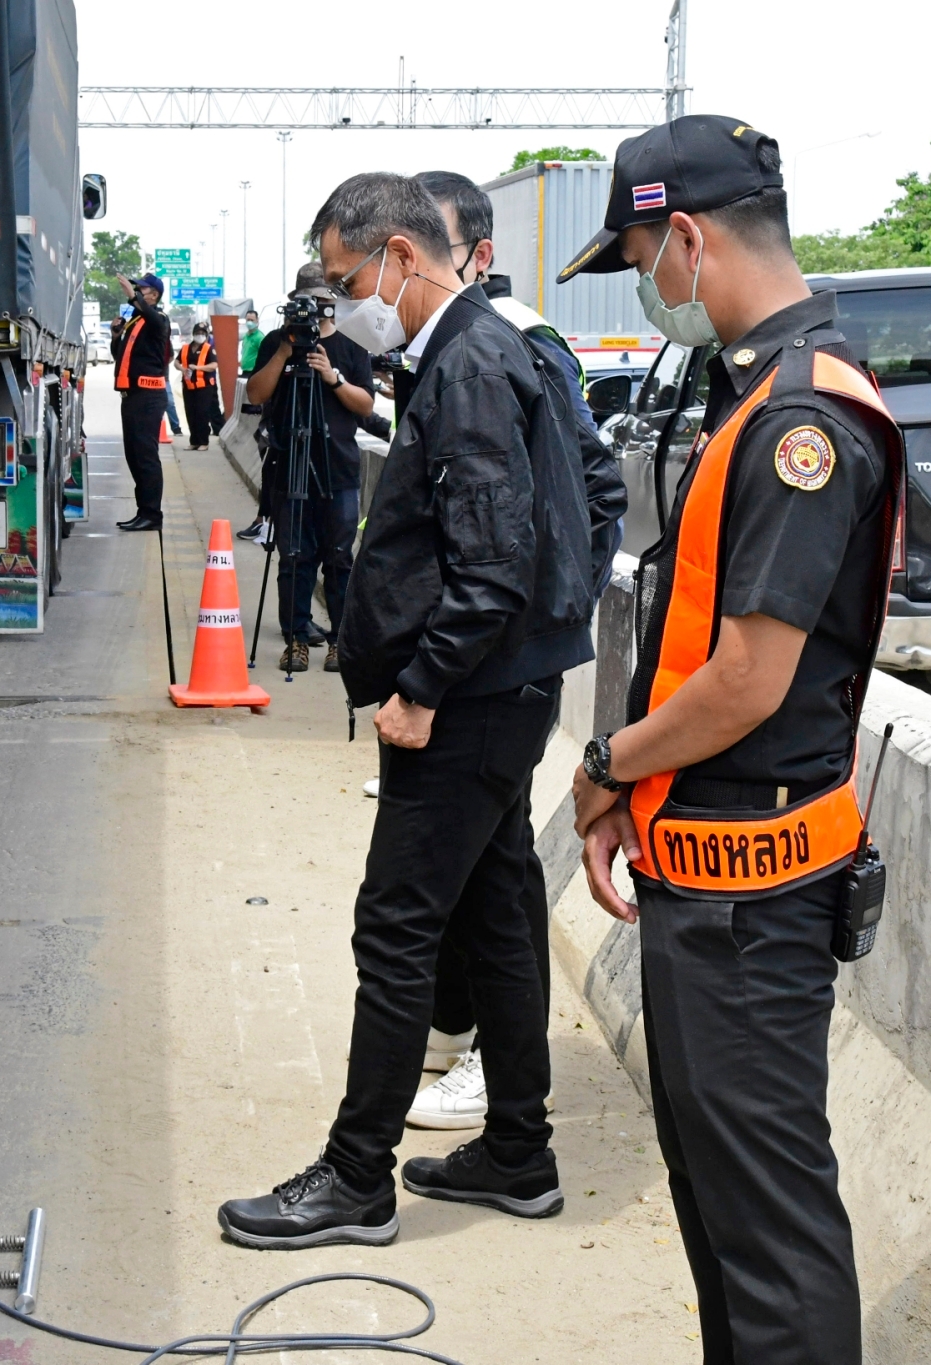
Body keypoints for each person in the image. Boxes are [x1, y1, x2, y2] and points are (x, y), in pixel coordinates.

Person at [216, 171, 622, 1250]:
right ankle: (517, 1153)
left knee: (393, 928)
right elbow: (575, 503)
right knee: (494, 912)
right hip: (502, 686)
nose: (346, 301)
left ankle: (355, 1179)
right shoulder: (476, 351)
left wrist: (420, 688)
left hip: (468, 699)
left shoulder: (471, 363)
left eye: (347, 279)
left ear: (398, 257)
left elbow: (488, 567)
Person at [567, 117, 900, 1365]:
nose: (650, 285)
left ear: (689, 237)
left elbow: (747, 681)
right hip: (706, 876)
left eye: (643, 254)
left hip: (752, 895)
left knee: (767, 1234)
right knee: (722, 1208)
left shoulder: (798, 421)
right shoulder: (759, 390)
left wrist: (605, 766)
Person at [400, 171, 622, 1134]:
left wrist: (538, 624)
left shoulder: (519, 345)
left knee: (497, 870)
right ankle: (457, 1026)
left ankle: (497, 1062)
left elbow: (592, 490)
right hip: (472, 654)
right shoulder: (443, 346)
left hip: (503, 661)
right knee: (481, 862)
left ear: (474, 256)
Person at [245, 263, 375, 673]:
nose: (315, 312)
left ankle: (339, 640)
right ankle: (296, 638)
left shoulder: (352, 347)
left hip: (337, 469)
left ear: (332, 304)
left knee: (339, 558)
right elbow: (254, 393)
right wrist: (285, 352)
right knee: (294, 558)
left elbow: (366, 406)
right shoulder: (275, 343)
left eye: (321, 303)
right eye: (306, 304)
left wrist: (332, 378)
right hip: (288, 467)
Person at [111, 273, 172, 531]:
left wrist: (133, 297)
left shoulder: (158, 320)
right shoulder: (135, 321)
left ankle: (152, 515)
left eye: (142, 289)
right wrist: (116, 335)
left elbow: (155, 321)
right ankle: (142, 511)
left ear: (154, 295)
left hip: (148, 397)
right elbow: (121, 356)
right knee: (134, 456)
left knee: (146, 457)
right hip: (132, 397)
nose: (137, 291)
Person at [176, 322, 223, 449]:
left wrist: (198, 368)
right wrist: (182, 369)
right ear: (193, 334)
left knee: (202, 414)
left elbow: (214, 365)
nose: (200, 335)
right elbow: (176, 361)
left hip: (204, 387)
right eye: (198, 333)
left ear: (206, 335)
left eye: (202, 333)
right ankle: (194, 441)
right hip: (188, 386)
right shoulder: (185, 348)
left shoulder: (208, 349)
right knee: (191, 414)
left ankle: (203, 442)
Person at [239, 308, 263, 375]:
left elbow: (264, 355)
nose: (249, 322)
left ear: (257, 320)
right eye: (248, 320)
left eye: (252, 320)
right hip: (244, 371)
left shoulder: (259, 337)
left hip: (254, 372)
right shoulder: (245, 336)